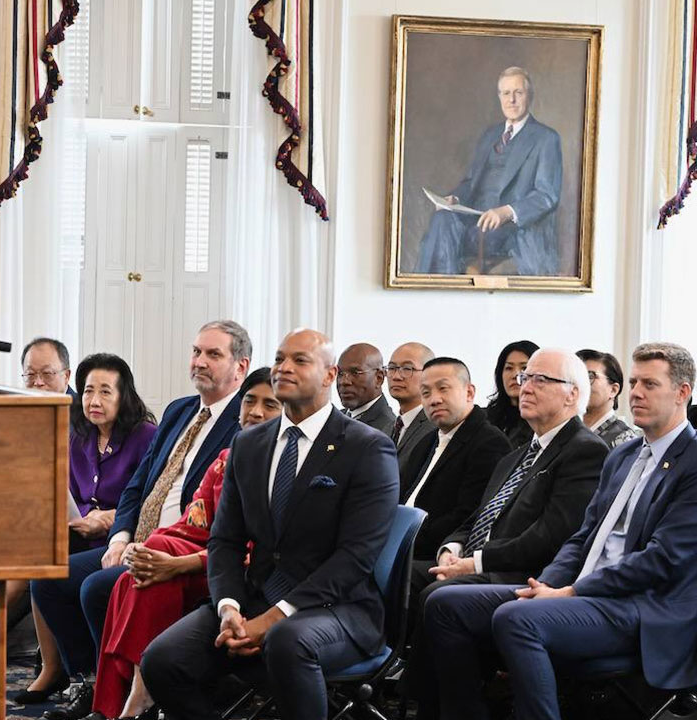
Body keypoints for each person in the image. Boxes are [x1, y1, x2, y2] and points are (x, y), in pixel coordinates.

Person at [425, 342, 697, 720]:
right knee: (446, 604)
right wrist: (545, 587)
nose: (634, 393)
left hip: (643, 607)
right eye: (633, 382)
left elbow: (662, 560)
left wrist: (570, 591)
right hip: (582, 593)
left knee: (514, 618)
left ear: (683, 392)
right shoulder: (623, 455)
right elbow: (582, 538)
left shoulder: (692, 461)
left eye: (649, 384)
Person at [140, 328, 399, 720]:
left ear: (330, 375)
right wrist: (227, 606)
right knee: (162, 660)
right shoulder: (249, 443)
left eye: (300, 360)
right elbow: (225, 539)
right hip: (251, 599)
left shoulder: (366, 447)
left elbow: (356, 558)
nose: (284, 368)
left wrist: (275, 617)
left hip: (337, 608)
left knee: (286, 641)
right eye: (279, 359)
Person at [36, 321, 251, 720]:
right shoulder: (180, 410)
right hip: (137, 536)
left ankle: (124, 698)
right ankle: (87, 681)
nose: (200, 362)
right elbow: (137, 486)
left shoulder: (247, 421)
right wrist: (119, 536)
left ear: (240, 367)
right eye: (196, 351)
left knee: (97, 587)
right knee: (50, 577)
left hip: (187, 544)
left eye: (213, 355)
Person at [409, 348, 606, 719]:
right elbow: (477, 518)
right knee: (396, 574)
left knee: (438, 594)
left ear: (573, 395)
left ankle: (447, 708)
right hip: (481, 565)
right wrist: (451, 549)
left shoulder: (584, 451)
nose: (525, 387)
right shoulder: (517, 454)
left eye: (540, 379)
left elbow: (551, 536)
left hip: (525, 573)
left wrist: (473, 564)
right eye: (524, 378)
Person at [84, 368, 280, 720]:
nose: (256, 412)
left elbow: (250, 551)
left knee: (153, 579)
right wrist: (149, 549)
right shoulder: (224, 459)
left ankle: (135, 699)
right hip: (202, 558)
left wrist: (171, 562)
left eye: (271, 404)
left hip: (237, 576)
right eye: (250, 401)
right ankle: (117, 700)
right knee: (140, 570)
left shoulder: (280, 472)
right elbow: (191, 524)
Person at [18, 353, 158, 703]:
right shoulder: (78, 435)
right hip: (81, 533)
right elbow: (69, 493)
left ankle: (91, 677)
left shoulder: (147, 437)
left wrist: (108, 517)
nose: (94, 401)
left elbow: (151, 500)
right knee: (39, 559)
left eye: (105, 392)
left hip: (122, 539)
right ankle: (70, 670)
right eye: (88, 391)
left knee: (63, 578)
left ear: (124, 396)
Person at [415, 66, 563, 276]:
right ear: (499, 97)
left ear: (529, 95)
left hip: (513, 229)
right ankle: (436, 289)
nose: (511, 100)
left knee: (451, 234)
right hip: (478, 218)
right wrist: (455, 198)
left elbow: (547, 196)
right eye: (506, 93)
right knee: (442, 219)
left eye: (518, 93)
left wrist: (506, 212)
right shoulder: (490, 135)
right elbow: (471, 182)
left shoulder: (546, 138)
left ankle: (439, 290)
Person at [401, 357, 511, 561]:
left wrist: (403, 540)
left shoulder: (489, 443)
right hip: (399, 546)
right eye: (425, 393)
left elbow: (468, 516)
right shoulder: (426, 441)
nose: (434, 399)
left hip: (435, 553)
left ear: (469, 392)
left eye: (443, 389)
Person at [387, 342, 436, 477]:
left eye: (407, 369)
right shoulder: (387, 427)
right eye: (391, 368)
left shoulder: (434, 427)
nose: (396, 376)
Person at [577, 348, 641, 448]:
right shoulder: (568, 433)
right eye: (576, 377)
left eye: (590, 376)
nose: (580, 384)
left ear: (613, 390)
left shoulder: (624, 440)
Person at [485, 339, 540, 448]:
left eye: (524, 368)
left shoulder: (544, 421)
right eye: (509, 368)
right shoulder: (486, 420)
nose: (516, 374)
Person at [336, 342, 396, 434]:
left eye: (355, 373)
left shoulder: (386, 429)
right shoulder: (335, 420)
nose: (344, 381)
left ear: (379, 378)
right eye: (340, 374)